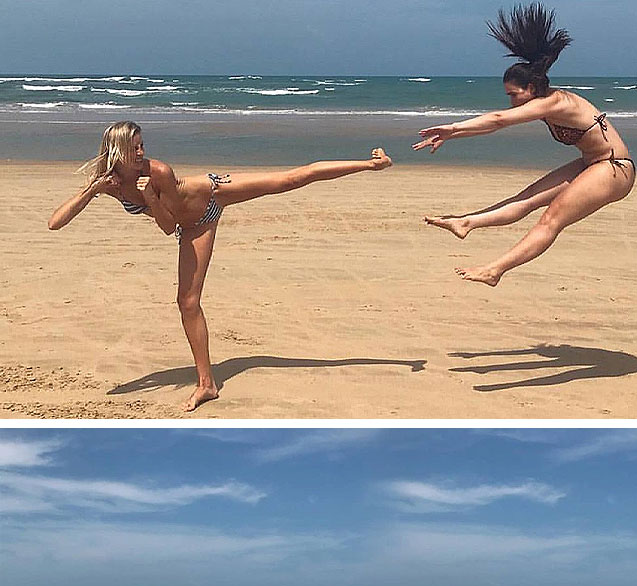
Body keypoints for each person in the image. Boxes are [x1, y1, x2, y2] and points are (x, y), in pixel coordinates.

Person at [48, 121, 393, 410]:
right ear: (117, 152)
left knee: (290, 180)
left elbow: (167, 226)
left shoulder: (159, 172)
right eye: (135, 148)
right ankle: (207, 385)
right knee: (187, 302)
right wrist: (93, 188)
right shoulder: (113, 185)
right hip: (194, 227)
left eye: (142, 146)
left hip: (213, 195)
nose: (142, 153)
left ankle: (371, 164)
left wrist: (151, 196)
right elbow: (55, 223)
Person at [413, 3, 636, 286]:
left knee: (551, 219)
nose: (511, 101)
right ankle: (466, 223)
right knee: (527, 197)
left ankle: (495, 270)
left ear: (532, 88)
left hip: (615, 168)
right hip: (591, 164)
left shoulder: (554, 102)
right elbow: (497, 124)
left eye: (514, 94)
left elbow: (498, 120)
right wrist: (451, 135)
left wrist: (453, 128)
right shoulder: (542, 104)